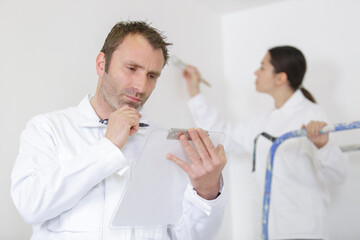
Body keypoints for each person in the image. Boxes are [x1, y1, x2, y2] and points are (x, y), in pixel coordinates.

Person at [11, 21, 227, 240]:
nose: (141, 87)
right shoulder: (48, 128)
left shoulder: (166, 143)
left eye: (152, 76)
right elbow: (30, 205)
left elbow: (185, 236)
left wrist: (207, 194)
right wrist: (107, 148)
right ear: (101, 64)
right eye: (132, 68)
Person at [182, 46, 348, 240]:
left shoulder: (311, 115)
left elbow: (338, 176)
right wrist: (195, 93)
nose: (256, 72)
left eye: (262, 67)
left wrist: (323, 146)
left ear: (280, 78)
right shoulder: (263, 122)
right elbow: (225, 136)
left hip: (304, 231)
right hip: (267, 230)